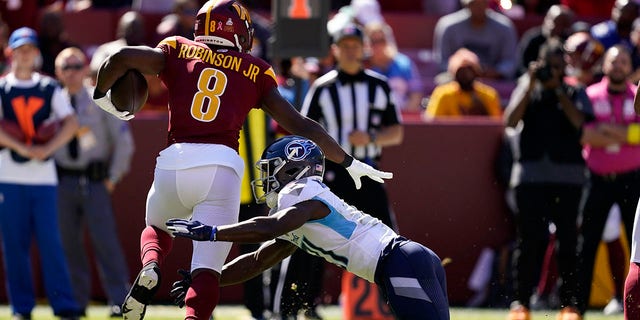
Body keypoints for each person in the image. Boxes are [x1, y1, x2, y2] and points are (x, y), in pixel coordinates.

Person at [90, 1, 392, 320]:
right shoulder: (255, 69)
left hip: (174, 159)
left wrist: (101, 95)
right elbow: (301, 124)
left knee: (156, 228)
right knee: (208, 268)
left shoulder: (177, 48)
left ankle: (151, 264)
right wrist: (347, 161)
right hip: (222, 168)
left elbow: (120, 58)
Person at [165, 135, 450, 320]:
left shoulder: (301, 192)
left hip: (399, 263)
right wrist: (208, 279)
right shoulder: (297, 214)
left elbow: (269, 228)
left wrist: (213, 232)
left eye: (271, 169)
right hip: (407, 261)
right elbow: (256, 261)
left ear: (292, 168)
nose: (265, 178)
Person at [503, 38, 593, 320]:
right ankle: (521, 303)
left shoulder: (574, 90)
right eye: (548, 67)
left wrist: (559, 92)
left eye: (557, 67)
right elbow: (510, 121)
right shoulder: (528, 87)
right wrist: (531, 85)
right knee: (530, 241)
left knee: (568, 242)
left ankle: (569, 305)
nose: (552, 72)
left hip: (568, 178)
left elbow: (581, 122)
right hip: (530, 177)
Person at [0, 27, 82, 320]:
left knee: (51, 243)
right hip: (8, 177)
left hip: (44, 178)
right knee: (14, 246)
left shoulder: (49, 87)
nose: (24, 54)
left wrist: (47, 149)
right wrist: (22, 147)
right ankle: (22, 308)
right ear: (10, 53)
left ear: (36, 53)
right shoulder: (1, 87)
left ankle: (64, 305)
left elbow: (71, 124)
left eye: (29, 49)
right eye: (19, 49)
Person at [53, 47, 135, 318]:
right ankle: (76, 301)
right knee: (69, 244)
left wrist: (113, 177)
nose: (72, 72)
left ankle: (118, 299)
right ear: (58, 72)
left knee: (106, 242)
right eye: (66, 67)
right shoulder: (54, 101)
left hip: (95, 180)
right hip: (64, 181)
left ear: (86, 68)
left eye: (76, 66)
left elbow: (123, 142)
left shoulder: (100, 99)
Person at [300, 23, 403, 231]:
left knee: (386, 238)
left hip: (368, 170)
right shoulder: (322, 87)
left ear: (364, 48)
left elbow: (397, 133)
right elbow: (305, 130)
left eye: (354, 45)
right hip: (332, 174)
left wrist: (371, 138)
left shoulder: (380, 85)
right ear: (335, 50)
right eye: (344, 45)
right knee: (313, 240)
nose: (349, 51)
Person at [576, 45, 640, 317]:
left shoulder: (637, 94)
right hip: (597, 179)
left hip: (632, 178)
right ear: (604, 65)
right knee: (586, 244)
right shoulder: (590, 94)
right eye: (614, 61)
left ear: (630, 67)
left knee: (636, 248)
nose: (618, 66)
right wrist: (627, 133)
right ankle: (575, 305)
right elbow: (585, 135)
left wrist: (609, 131)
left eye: (624, 62)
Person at [432, 0, 519, 80]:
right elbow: (441, 62)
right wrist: (460, 69)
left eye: (482, 2)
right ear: (466, 4)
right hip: (456, 82)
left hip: (494, 83)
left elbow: (510, 61)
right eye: (474, 3)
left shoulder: (504, 27)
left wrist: (495, 72)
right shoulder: (448, 26)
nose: (478, 7)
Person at [424, 48, 502, 119]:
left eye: (470, 70)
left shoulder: (489, 95)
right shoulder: (443, 95)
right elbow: (432, 123)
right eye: (461, 71)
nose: (466, 75)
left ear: (476, 72)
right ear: (454, 73)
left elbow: (495, 125)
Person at [364, 21, 424, 112]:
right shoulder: (363, 66)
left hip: (402, 117)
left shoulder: (403, 63)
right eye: (373, 42)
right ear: (366, 44)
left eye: (381, 41)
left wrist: (402, 117)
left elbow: (416, 94)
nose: (378, 46)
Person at [516, 4, 575, 76]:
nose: (553, 26)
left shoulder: (567, 41)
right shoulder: (533, 38)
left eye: (560, 23)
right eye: (552, 20)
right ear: (546, 18)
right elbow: (521, 66)